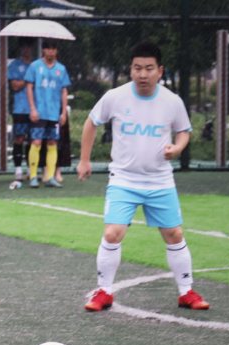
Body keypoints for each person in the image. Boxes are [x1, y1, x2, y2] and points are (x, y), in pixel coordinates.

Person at [77, 41, 210, 312]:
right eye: (137, 68)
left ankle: (186, 292)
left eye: (149, 68)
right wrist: (84, 160)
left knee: (174, 234)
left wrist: (178, 147)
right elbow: (91, 122)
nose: (142, 74)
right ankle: (104, 291)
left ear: (160, 71)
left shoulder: (172, 101)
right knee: (112, 233)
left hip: (160, 181)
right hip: (123, 180)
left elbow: (184, 131)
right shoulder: (115, 96)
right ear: (130, 70)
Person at [24, 39, 70, 189]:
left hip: (54, 113)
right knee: (36, 142)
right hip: (39, 112)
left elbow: (64, 91)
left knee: (52, 143)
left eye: (53, 49)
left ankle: (50, 177)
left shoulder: (61, 69)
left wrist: (63, 112)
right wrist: (32, 108)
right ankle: (33, 176)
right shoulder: (35, 66)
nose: (51, 51)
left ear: (56, 51)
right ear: (43, 50)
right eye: (48, 49)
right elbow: (29, 87)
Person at [8, 37, 34, 190]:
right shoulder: (14, 65)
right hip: (20, 108)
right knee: (19, 138)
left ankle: (31, 170)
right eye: (23, 47)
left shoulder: (37, 65)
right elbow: (15, 85)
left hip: (35, 109)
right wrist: (28, 80)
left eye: (28, 47)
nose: (26, 49)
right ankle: (18, 170)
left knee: (33, 140)